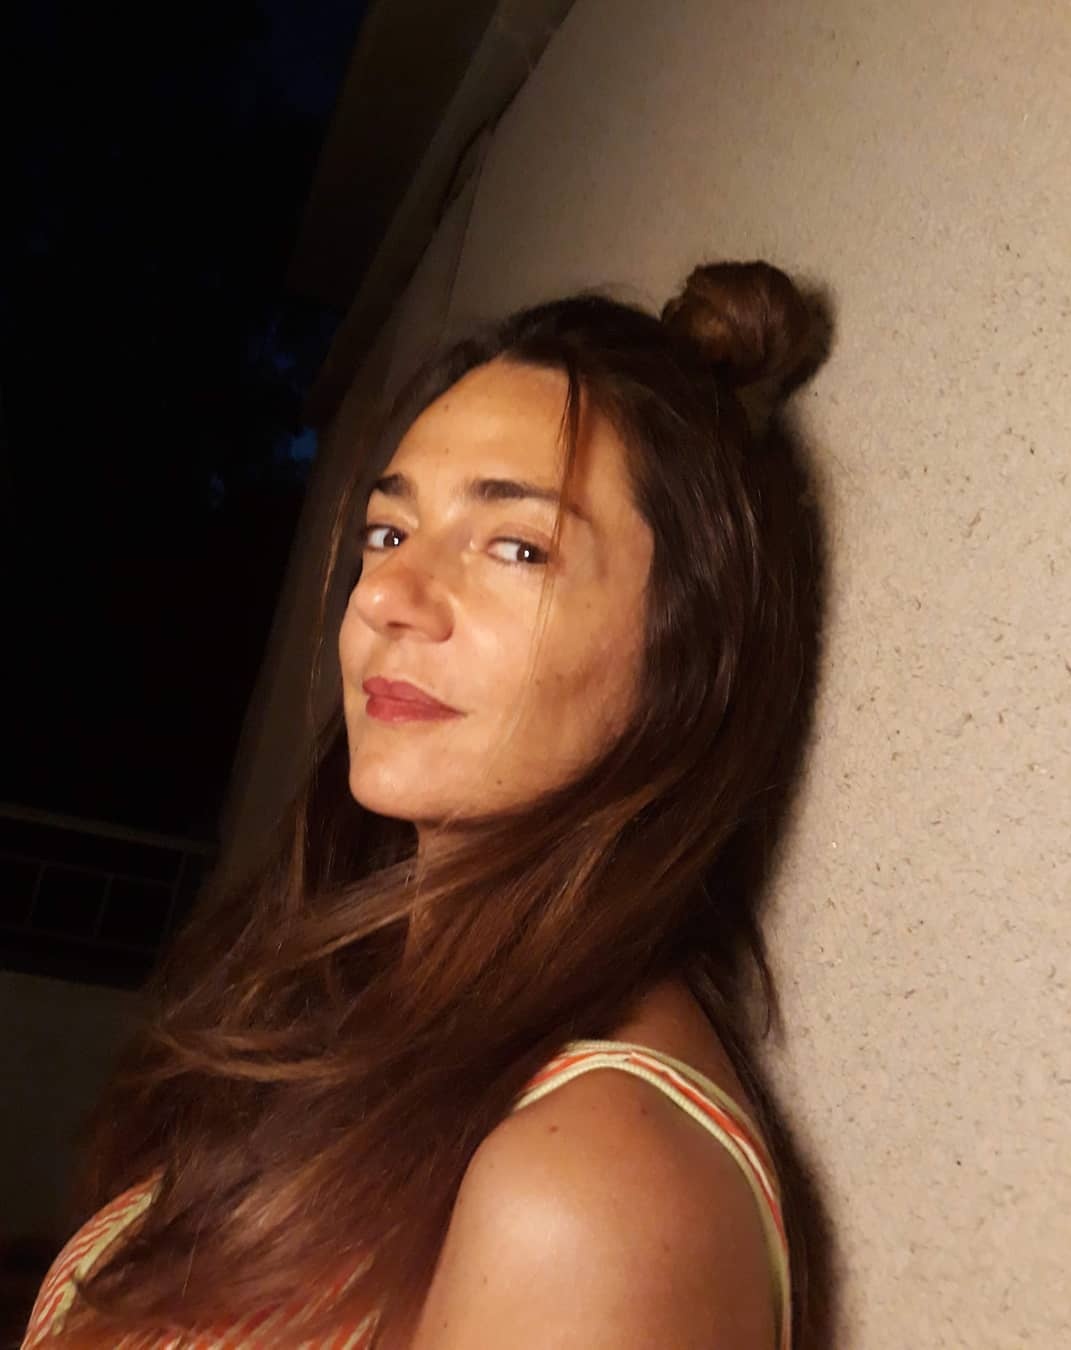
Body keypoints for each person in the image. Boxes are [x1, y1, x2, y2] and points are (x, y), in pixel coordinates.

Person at [23, 259, 824, 1349]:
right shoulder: (345, 1001)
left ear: (691, 651)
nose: (390, 598)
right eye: (389, 533)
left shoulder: (588, 1194)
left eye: (517, 547)